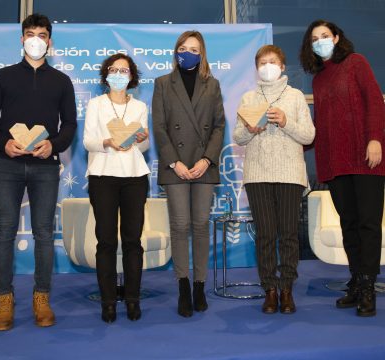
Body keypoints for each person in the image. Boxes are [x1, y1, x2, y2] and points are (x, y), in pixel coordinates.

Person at [0, 13, 76, 331]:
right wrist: (3, 143)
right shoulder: (3, 77)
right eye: (30, 33)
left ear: (49, 41)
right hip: (7, 165)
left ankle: (41, 298)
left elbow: (70, 126)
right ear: (22, 39)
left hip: (45, 167)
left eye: (42, 34)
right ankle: (4, 300)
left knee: (44, 234)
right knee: (5, 232)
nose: (36, 39)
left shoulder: (61, 82)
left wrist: (54, 145)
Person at [300, 20, 385, 317]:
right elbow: (319, 125)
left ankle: (367, 286)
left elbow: (375, 101)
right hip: (333, 162)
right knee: (349, 224)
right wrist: (294, 143)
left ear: (337, 38)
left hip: (365, 157)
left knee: (368, 224)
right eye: (315, 39)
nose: (320, 41)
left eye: (325, 36)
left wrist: (375, 139)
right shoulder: (318, 79)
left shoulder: (356, 63)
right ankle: (355, 279)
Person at [233, 45, 315, 314]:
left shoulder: (295, 97)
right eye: (262, 63)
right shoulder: (248, 98)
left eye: (273, 62)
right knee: (266, 235)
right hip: (258, 174)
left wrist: (285, 121)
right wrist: (250, 128)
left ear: (282, 66)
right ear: (257, 68)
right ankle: (269, 289)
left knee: (289, 234)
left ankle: (287, 289)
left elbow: (308, 136)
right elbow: (238, 137)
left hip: (290, 174)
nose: (267, 66)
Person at [152, 31, 225, 318]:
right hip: (176, 166)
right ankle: (183, 286)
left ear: (202, 52)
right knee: (180, 225)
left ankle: (199, 286)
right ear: (176, 51)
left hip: (203, 164)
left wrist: (207, 159)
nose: (188, 52)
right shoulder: (162, 84)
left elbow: (219, 125)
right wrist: (174, 162)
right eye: (183, 48)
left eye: (194, 48)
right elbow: (159, 127)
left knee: (201, 224)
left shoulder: (213, 84)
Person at [83, 54, 150, 323]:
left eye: (124, 70)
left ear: (132, 76)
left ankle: (133, 300)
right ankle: (108, 302)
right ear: (106, 75)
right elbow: (88, 141)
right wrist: (108, 141)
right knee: (107, 241)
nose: (119, 74)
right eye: (114, 70)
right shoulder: (95, 104)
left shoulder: (140, 107)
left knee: (133, 241)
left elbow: (143, 146)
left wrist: (141, 139)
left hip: (134, 176)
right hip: (103, 176)